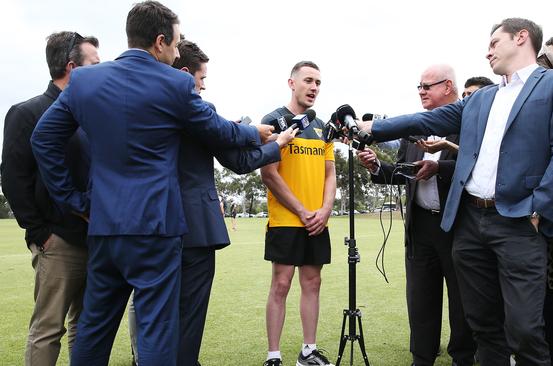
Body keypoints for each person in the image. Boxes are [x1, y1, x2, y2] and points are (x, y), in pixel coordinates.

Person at [29, 2, 274, 365]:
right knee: (156, 330)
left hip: (104, 226)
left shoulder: (84, 80)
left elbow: (43, 139)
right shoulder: (176, 82)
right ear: (159, 42)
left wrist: (75, 201)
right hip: (156, 229)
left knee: (94, 331)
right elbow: (217, 130)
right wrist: (254, 132)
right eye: (175, 45)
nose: (177, 53)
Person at [357, 18, 553, 366]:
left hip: (519, 221)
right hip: (469, 222)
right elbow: (425, 120)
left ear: (522, 38)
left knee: (525, 329)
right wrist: (372, 127)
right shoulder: (482, 98)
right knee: (482, 326)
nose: (488, 51)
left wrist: (540, 206)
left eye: (495, 42)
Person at [124, 38, 296, 366]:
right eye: (202, 79)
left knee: (155, 312)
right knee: (188, 315)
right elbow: (240, 162)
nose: (203, 87)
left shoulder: (138, 106)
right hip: (192, 228)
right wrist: (278, 144)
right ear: (187, 74)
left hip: (146, 224)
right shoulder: (199, 110)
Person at [357, 64, 476, 366]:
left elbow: (477, 168)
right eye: (419, 87)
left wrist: (440, 167)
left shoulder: (469, 123)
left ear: (448, 86)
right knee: (420, 299)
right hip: (420, 226)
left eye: (427, 86)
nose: (421, 91)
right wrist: (375, 167)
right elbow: (402, 173)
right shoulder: (414, 128)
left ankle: (463, 357)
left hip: (458, 225)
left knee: (462, 300)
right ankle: (421, 358)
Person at [1, 31, 99, 366]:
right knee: (47, 330)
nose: (102, 72)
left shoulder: (90, 116)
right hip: (57, 242)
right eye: (94, 64)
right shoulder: (26, 113)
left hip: (95, 239)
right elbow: (13, 180)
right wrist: (40, 234)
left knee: (85, 329)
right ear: (72, 67)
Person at [260, 61, 336, 366]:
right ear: (292, 83)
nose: (314, 87)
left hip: (317, 219)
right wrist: (303, 210)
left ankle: (308, 352)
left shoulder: (322, 127)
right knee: (281, 284)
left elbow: (330, 173)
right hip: (287, 219)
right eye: (308, 80)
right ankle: (274, 356)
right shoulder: (274, 121)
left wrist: (325, 210)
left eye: (318, 82)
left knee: (313, 282)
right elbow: (269, 174)